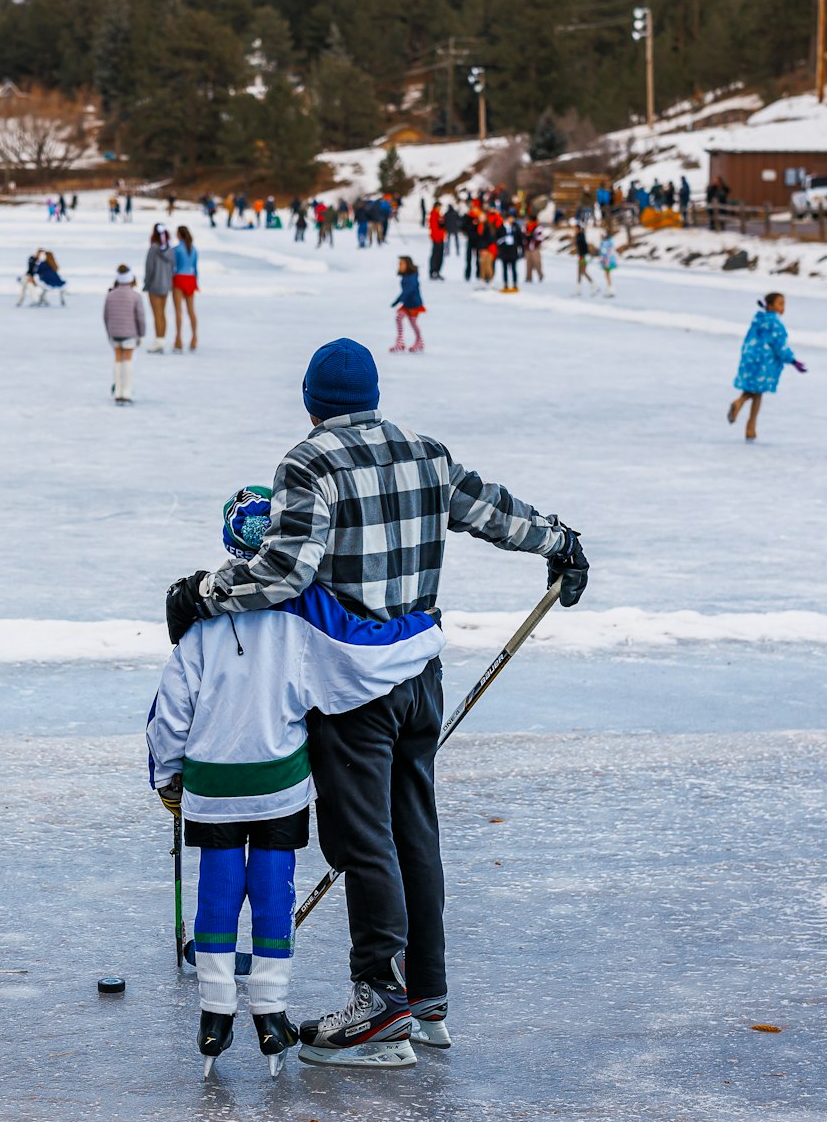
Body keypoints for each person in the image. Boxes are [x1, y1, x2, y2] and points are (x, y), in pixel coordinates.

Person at [165, 338, 588, 1068]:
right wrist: (562, 540)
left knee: (363, 841)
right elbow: (494, 513)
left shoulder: (310, 461)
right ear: (374, 395)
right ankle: (427, 995)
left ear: (310, 401)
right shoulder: (426, 452)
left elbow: (285, 569)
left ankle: (379, 1004)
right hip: (420, 677)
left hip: (352, 684)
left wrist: (203, 594)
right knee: (413, 831)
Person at [150, 486, 446, 1077]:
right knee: (273, 894)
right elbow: (367, 651)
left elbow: (169, 713)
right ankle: (271, 1014)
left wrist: (168, 778)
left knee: (218, 890)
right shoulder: (305, 610)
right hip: (280, 789)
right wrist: (426, 630)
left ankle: (215, 1014)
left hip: (211, 794)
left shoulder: (199, 621)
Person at [727, 294, 805, 442]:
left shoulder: (758, 320)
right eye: (780, 303)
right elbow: (779, 346)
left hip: (750, 358)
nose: (783, 308)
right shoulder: (775, 324)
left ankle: (751, 427)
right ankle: (741, 408)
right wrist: (793, 360)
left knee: (754, 391)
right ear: (769, 305)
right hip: (765, 361)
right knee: (757, 392)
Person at [103, 264, 146, 406]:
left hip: (114, 333)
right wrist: (141, 334)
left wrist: (109, 332)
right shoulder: (135, 296)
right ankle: (126, 392)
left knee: (117, 360)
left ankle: (117, 392)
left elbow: (106, 316)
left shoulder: (110, 295)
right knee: (127, 360)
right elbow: (140, 317)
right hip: (130, 334)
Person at [143, 228, 175, 355]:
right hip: (166, 285)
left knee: (157, 314)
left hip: (154, 285)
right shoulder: (170, 250)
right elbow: (172, 267)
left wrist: (147, 283)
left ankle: (158, 341)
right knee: (162, 313)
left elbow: (149, 268)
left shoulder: (153, 249)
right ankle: (161, 340)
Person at [171, 226, 199, 353]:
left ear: (179, 234)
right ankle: (194, 337)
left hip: (179, 278)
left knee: (178, 311)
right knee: (191, 310)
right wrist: (195, 282)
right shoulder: (193, 249)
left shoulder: (176, 250)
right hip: (191, 279)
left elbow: (173, 267)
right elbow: (195, 268)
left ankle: (178, 339)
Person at [389, 256, 425, 354]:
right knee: (399, 318)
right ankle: (400, 342)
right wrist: (399, 300)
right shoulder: (406, 276)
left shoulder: (412, 277)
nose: (400, 266)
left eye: (402, 264)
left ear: (408, 265)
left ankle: (419, 342)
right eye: (399, 264)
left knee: (412, 322)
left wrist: (398, 301)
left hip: (414, 304)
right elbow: (405, 291)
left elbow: (408, 290)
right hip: (407, 303)